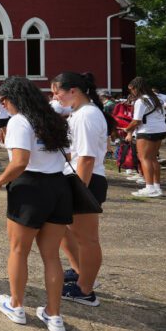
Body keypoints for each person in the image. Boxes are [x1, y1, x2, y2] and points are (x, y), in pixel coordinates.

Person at [0, 77, 72, 331]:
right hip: (58, 186)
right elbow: (67, 155)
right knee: (51, 256)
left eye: (4, 101)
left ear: (15, 98)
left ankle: (16, 305)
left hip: (30, 188)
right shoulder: (52, 119)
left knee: (18, 250)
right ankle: (54, 314)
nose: (4, 106)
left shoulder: (19, 121)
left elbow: (20, 161)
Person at [52, 71, 111, 307]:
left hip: (86, 180)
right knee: (64, 229)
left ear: (73, 91)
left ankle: (86, 289)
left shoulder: (87, 115)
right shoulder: (80, 113)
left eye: (58, 92)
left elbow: (86, 158)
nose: (55, 97)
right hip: (76, 178)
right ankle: (80, 272)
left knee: (87, 239)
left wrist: (80, 191)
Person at [123, 77, 166, 198]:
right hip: (161, 129)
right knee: (153, 158)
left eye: (132, 90)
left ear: (136, 88)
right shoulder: (157, 97)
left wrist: (127, 129)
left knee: (144, 158)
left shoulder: (141, 101)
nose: (131, 92)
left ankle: (149, 187)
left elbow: (136, 120)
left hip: (147, 130)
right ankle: (157, 187)